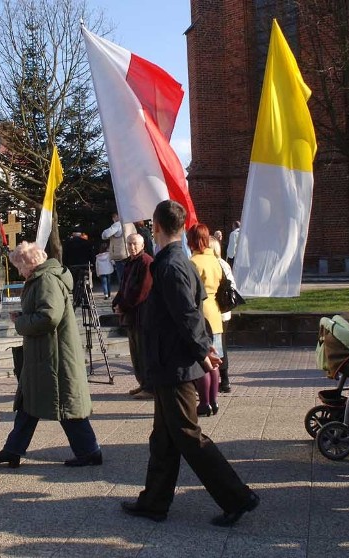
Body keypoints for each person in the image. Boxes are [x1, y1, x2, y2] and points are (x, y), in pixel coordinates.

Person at [121, 200, 258, 527]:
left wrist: (203, 350)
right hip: (170, 363)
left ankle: (238, 497)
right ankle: (154, 502)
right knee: (164, 438)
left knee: (187, 435)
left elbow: (187, 315)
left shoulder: (171, 265)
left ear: (155, 226)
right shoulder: (175, 261)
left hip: (175, 365)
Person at [0, 242, 101, 468]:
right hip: (45, 353)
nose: (19, 271)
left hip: (54, 354)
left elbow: (49, 317)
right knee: (30, 401)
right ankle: (13, 449)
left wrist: (21, 322)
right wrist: (25, 315)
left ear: (29, 263)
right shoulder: (43, 278)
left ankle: (90, 451)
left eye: (19, 266)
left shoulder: (46, 280)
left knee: (64, 403)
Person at [187, 223, 224, 416]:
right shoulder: (215, 260)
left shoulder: (194, 262)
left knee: (202, 361)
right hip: (215, 312)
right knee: (215, 360)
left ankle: (204, 403)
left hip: (201, 312)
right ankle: (214, 401)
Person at [112, 233, 154, 399]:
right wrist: (116, 302)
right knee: (136, 353)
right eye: (129, 244)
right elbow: (124, 287)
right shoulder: (130, 262)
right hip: (131, 317)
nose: (132, 247)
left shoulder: (146, 262)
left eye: (135, 244)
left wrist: (123, 306)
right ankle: (142, 383)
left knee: (144, 353)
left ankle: (150, 387)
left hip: (142, 315)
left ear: (142, 245)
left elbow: (142, 291)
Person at [208, 238, 233, 393]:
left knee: (216, 346)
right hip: (224, 312)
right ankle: (224, 379)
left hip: (216, 311)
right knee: (220, 345)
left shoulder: (215, 264)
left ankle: (221, 379)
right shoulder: (224, 264)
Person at [101, 213, 137, 285]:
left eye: (114, 217)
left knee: (122, 280)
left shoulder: (117, 224)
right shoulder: (131, 224)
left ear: (117, 216)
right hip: (132, 253)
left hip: (120, 255)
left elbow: (105, 235)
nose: (113, 220)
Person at [62, 231, 93, 304]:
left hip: (73, 266)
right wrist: (92, 264)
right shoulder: (87, 243)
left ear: (73, 235)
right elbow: (91, 254)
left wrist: (66, 265)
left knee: (75, 282)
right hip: (85, 265)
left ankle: (76, 299)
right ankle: (86, 298)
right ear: (81, 235)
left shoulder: (68, 244)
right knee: (86, 281)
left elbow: (65, 256)